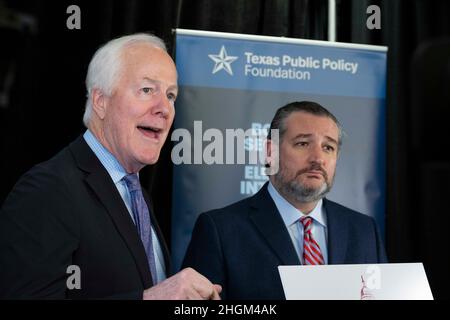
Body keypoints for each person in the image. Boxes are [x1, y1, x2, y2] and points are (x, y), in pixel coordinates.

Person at [0, 33, 221, 300]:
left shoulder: (136, 194)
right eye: (147, 90)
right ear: (100, 101)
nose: (164, 108)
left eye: (171, 95)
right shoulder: (47, 189)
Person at [182, 101, 387, 299]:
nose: (318, 158)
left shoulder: (364, 230)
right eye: (303, 143)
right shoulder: (220, 230)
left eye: (328, 147)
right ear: (270, 152)